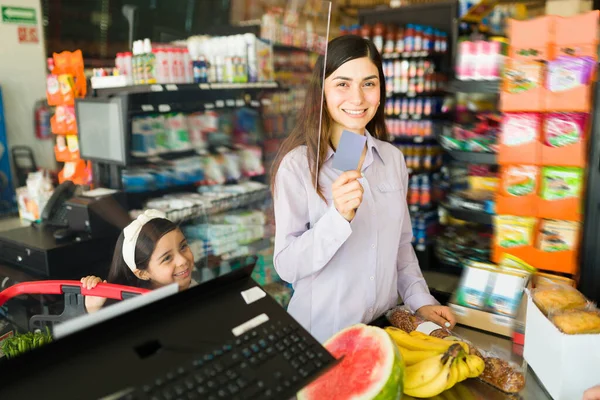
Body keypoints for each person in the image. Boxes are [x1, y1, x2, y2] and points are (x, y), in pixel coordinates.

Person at [270, 35, 456, 343]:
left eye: (368, 84)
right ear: (322, 93)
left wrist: (419, 299)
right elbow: (288, 267)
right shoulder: (297, 166)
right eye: (342, 84)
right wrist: (338, 218)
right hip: (321, 335)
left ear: (381, 91)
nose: (357, 98)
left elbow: (401, 246)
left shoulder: (392, 159)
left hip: (383, 331)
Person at [81, 209, 195, 313]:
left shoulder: (191, 284)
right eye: (167, 258)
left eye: (183, 246)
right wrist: (94, 311)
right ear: (142, 273)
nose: (183, 260)